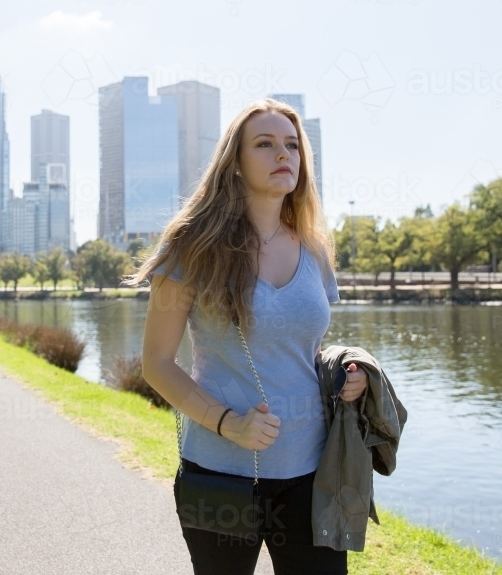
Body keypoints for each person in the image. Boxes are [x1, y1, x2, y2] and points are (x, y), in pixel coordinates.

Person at [125, 99, 368, 575]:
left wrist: (342, 375)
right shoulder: (189, 247)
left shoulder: (315, 249)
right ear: (234, 163)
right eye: (265, 144)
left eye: (293, 146)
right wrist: (227, 423)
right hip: (220, 474)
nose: (284, 154)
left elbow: (298, 349)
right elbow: (156, 362)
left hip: (311, 474)